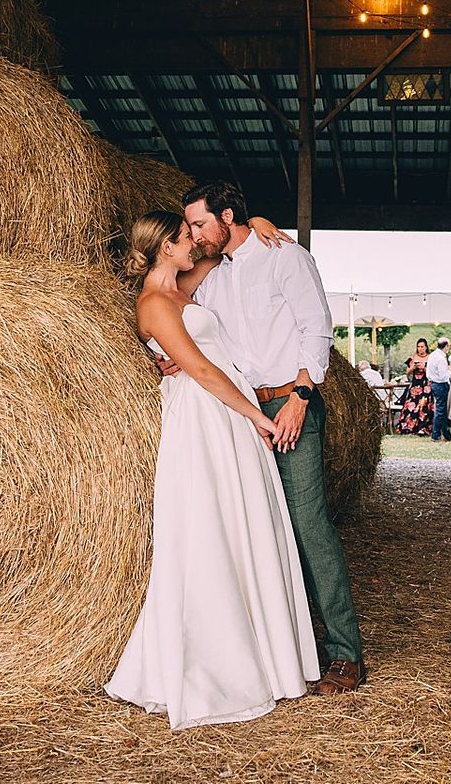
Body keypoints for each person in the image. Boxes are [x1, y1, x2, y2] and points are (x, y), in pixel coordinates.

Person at [107, 210, 318, 728]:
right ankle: (217, 663)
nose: (192, 241)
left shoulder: (183, 284)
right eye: (184, 237)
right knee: (210, 527)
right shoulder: (154, 303)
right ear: (164, 248)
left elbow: (225, 247)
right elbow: (198, 368)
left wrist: (257, 221)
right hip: (204, 416)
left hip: (226, 409)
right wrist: (256, 417)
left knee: (245, 522)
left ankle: (266, 654)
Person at [172, 180, 367, 694]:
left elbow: (315, 327)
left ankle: (346, 654)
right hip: (242, 411)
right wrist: (176, 355)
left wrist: (301, 399)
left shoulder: (285, 256)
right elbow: (185, 309)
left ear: (228, 216)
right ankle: (287, 651)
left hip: (289, 402)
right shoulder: (214, 277)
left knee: (308, 525)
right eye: (189, 226)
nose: (194, 234)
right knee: (264, 528)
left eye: (199, 223)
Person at [397, 339, 433, 435]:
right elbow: (407, 372)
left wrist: (424, 368)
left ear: (426, 347)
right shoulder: (412, 357)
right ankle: (409, 426)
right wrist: (413, 367)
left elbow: (432, 372)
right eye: (419, 347)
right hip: (415, 384)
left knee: (423, 403)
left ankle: (423, 427)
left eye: (422, 346)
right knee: (411, 404)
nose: (420, 349)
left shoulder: (430, 358)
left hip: (425, 384)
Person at [426, 337, 451, 442]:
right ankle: (435, 435)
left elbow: (428, 373)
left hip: (434, 383)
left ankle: (447, 434)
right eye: (448, 346)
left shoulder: (432, 355)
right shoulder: (441, 358)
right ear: (446, 346)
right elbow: (443, 376)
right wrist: (449, 370)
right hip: (440, 384)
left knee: (442, 410)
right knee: (440, 410)